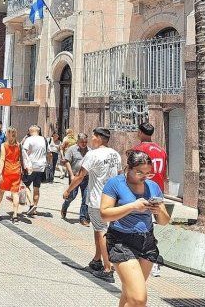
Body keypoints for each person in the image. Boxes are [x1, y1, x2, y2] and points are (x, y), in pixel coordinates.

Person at [100, 151, 170, 307]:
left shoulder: (153, 187)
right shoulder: (115, 184)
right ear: (128, 168)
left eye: (148, 173)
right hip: (121, 242)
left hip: (147, 243)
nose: (144, 177)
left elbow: (165, 221)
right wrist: (132, 206)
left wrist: (159, 211)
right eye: (139, 172)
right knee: (138, 299)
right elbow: (104, 214)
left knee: (129, 294)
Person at [63, 127, 122, 283]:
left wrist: (68, 190)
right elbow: (120, 175)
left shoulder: (92, 154)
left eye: (94, 137)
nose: (92, 140)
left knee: (102, 231)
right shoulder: (115, 154)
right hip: (113, 199)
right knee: (99, 230)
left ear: (100, 138)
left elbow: (80, 176)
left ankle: (108, 268)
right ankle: (97, 261)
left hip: (98, 200)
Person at [132, 122, 168, 277]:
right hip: (158, 191)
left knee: (143, 227)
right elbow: (164, 173)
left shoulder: (139, 150)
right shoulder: (161, 150)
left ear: (140, 132)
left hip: (143, 190)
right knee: (151, 225)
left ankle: (150, 260)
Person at [0, 127, 24, 223]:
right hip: (16, 171)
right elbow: (20, 159)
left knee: (1, 192)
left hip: (6, 171)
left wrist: (0, 172)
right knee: (15, 193)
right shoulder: (18, 145)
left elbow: (2, 159)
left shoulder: (4, 145)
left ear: (7, 134)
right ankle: (15, 215)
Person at [61, 133, 91, 226]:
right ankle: (65, 206)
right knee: (71, 196)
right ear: (78, 141)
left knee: (85, 197)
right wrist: (71, 175)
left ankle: (83, 218)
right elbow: (67, 162)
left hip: (86, 177)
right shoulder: (72, 149)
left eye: (86, 142)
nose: (84, 143)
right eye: (82, 142)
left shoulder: (90, 151)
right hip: (75, 177)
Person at [21, 125, 49, 215]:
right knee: (36, 188)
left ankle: (32, 204)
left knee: (25, 185)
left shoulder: (29, 139)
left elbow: (23, 152)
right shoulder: (44, 139)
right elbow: (49, 154)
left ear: (30, 131)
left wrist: (24, 164)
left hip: (30, 167)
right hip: (41, 167)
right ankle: (35, 208)